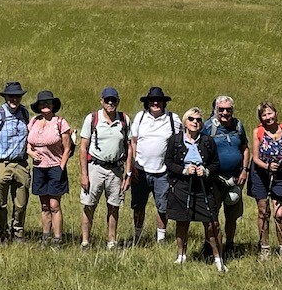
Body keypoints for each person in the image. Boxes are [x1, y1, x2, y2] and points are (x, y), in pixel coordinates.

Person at [166, 107, 225, 272]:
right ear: (185, 122)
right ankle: (181, 256)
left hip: (203, 186)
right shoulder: (175, 140)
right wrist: (184, 170)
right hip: (182, 185)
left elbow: (215, 163)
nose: (195, 122)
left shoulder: (207, 141)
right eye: (191, 119)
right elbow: (168, 162)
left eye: (198, 120)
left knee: (212, 223)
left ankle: (219, 259)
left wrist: (205, 171)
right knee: (182, 221)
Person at [248, 101, 282, 260]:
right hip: (260, 175)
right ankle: (264, 247)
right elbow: (255, 158)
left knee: (280, 213)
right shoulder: (258, 132)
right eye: (264, 115)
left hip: (280, 175)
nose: (268, 117)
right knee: (263, 211)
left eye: (270, 113)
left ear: (276, 113)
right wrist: (267, 166)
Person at [128, 86, 182, 245]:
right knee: (138, 205)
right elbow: (133, 142)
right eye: (152, 100)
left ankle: (161, 238)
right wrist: (133, 165)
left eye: (159, 100)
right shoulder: (140, 117)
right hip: (141, 170)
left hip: (163, 171)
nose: (156, 103)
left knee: (162, 206)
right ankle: (138, 236)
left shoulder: (173, 119)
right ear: (147, 102)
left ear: (164, 103)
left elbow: (180, 142)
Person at [78, 87, 129, 250]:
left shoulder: (124, 120)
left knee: (114, 206)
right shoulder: (92, 119)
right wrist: (84, 175)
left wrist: (128, 174)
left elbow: (129, 147)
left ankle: (111, 241)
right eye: (107, 100)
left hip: (116, 169)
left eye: (113, 100)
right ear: (102, 101)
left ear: (118, 102)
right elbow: (83, 147)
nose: (110, 103)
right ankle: (85, 241)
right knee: (89, 205)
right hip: (95, 168)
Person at [201, 95, 250, 259]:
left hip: (235, 179)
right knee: (211, 216)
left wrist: (244, 170)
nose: (225, 113)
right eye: (221, 109)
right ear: (215, 110)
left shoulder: (238, 126)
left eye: (228, 109)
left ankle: (229, 244)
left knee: (232, 216)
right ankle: (210, 246)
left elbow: (245, 148)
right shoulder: (208, 127)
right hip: (214, 180)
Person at [0, 81, 31, 243]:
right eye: (11, 96)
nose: (14, 99)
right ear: (5, 97)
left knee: (21, 202)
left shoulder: (24, 113)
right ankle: (1, 233)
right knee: (1, 202)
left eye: (17, 96)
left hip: (21, 163)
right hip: (1, 163)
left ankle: (18, 231)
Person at [26, 89, 71, 248]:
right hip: (39, 168)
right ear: (38, 106)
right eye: (42, 103)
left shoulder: (60, 123)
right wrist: (30, 152)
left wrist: (61, 167)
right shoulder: (33, 121)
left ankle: (58, 239)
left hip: (55, 167)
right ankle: (46, 238)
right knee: (44, 206)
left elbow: (67, 148)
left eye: (48, 102)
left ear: (53, 105)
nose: (45, 105)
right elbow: (29, 143)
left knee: (54, 205)